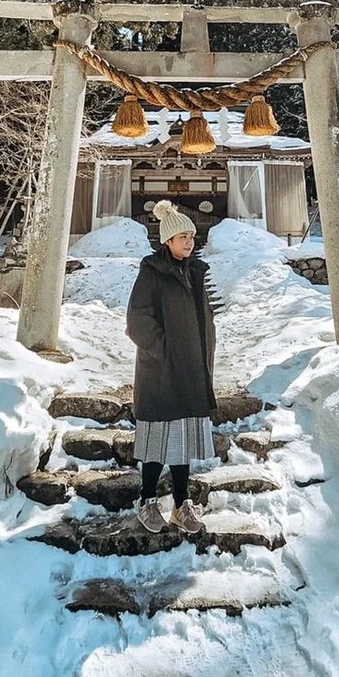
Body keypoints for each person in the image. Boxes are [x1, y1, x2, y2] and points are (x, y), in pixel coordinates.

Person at [126, 199, 217, 535]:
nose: (189, 241)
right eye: (182, 237)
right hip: (161, 370)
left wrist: (204, 355)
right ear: (167, 240)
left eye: (191, 236)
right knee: (156, 440)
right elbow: (137, 320)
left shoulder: (194, 273)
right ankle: (147, 501)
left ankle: (181, 505)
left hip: (192, 369)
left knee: (183, 441)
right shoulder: (152, 272)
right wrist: (161, 351)